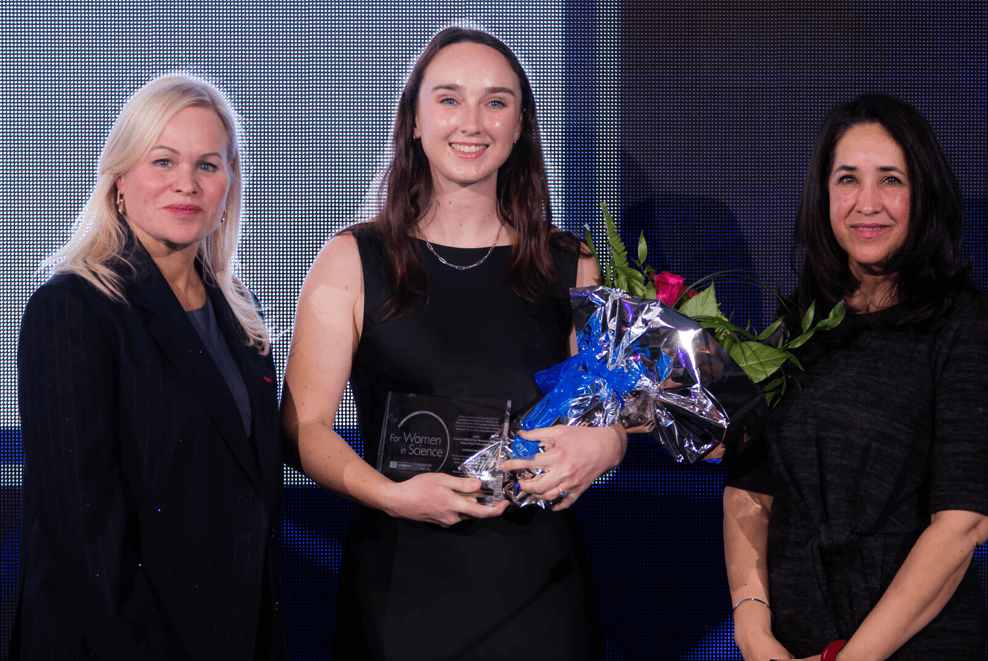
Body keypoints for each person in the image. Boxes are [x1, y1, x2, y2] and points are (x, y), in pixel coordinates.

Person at [281, 26, 624, 660]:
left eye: (496, 101)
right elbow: (303, 429)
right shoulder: (352, 259)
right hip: (399, 594)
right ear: (413, 119)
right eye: (448, 98)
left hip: (539, 593)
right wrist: (389, 494)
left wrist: (609, 444)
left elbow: (604, 414)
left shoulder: (571, 264)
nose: (472, 121)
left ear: (520, 125)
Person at [13, 74, 285, 660]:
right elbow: (83, 536)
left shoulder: (240, 317)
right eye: (163, 161)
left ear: (230, 185)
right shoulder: (72, 309)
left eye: (208, 166)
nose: (185, 185)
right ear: (119, 181)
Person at [723, 94, 988, 660]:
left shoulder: (963, 325)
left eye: (890, 179)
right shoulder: (794, 324)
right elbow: (750, 489)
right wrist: (753, 635)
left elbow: (962, 526)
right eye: (848, 179)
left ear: (924, 195)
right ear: (824, 196)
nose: (868, 204)